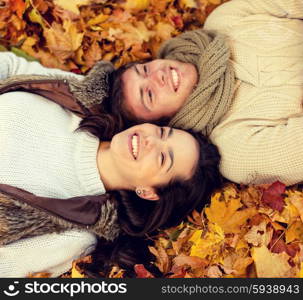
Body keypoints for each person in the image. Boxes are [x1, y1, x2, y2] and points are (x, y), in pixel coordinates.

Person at [0, 52, 222, 277]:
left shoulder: (76, 231)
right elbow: (12, 66)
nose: (150, 141)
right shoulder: (81, 101)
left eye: (163, 158)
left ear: (148, 192)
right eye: (163, 132)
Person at [111, 0, 303, 187]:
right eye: (149, 95)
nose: (157, 76)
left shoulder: (222, 21)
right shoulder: (235, 149)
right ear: (162, 122)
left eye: (144, 70)